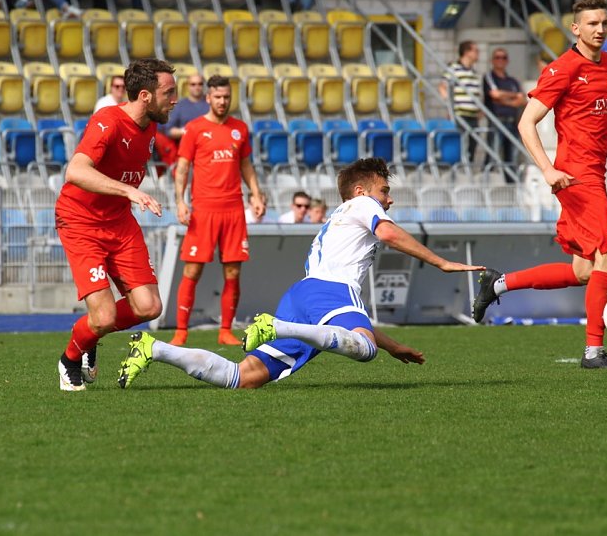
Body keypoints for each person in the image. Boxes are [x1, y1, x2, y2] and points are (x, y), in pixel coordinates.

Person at [117, 157, 485, 390]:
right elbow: (387, 232)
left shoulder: (338, 220)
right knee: (366, 350)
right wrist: (441, 262)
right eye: (385, 191)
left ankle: (156, 348)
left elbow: (341, 325)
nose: (389, 199)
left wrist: (394, 347)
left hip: (301, 297)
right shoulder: (361, 205)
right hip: (329, 291)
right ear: (360, 191)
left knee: (243, 378)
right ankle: (276, 327)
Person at [472, 0, 607, 369]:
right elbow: (526, 123)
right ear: (576, 28)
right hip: (575, 177)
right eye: (592, 24)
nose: (600, 29)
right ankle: (593, 353)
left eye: (604, 23)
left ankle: (498, 283)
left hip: (595, 175)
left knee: (583, 271)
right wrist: (547, 170)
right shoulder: (562, 69)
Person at [54, 58, 177, 392]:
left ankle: (91, 333)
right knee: (105, 316)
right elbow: (75, 171)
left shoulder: (151, 125)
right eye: (169, 92)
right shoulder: (107, 121)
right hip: (80, 222)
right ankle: (69, 359)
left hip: (119, 222)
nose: (175, 98)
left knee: (149, 307)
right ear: (146, 96)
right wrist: (129, 191)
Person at [170, 75, 265, 347]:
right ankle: (181, 332)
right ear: (208, 98)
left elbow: (246, 165)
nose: (222, 101)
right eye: (218, 97)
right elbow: (183, 168)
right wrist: (180, 201)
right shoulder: (194, 128)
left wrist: (256, 195)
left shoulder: (240, 129)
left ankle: (225, 331)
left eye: (226, 97)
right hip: (204, 210)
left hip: (233, 210)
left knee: (233, 272)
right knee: (192, 270)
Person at [483, 47, 527, 181]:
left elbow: (522, 100)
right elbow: (494, 94)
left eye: (503, 58)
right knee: (492, 155)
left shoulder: (512, 81)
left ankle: (511, 187)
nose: (500, 60)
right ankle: (487, 185)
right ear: (492, 60)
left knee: (512, 157)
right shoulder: (489, 77)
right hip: (497, 121)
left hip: (512, 122)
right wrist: (512, 98)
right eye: (497, 57)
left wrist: (503, 99)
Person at [439, 41, 481, 165]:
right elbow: (442, 86)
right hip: (459, 114)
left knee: (473, 145)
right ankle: (459, 168)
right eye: (476, 51)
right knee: (460, 144)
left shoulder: (473, 71)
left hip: (473, 115)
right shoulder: (453, 68)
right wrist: (450, 105)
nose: (478, 54)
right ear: (467, 52)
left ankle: (468, 170)